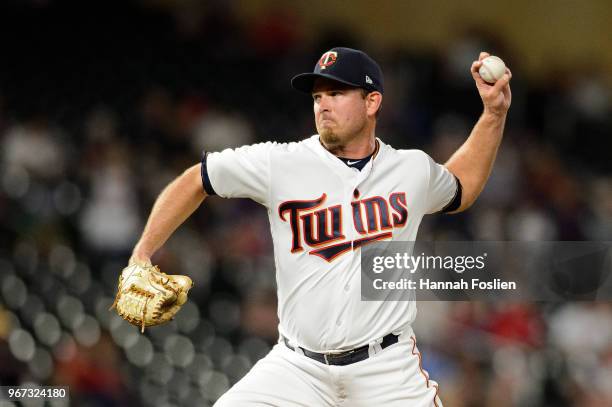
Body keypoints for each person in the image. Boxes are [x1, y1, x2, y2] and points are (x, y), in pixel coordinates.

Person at [128, 47, 512, 406]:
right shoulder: (280, 163)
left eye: (336, 93)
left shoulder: (410, 169)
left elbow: (461, 187)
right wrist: (142, 252)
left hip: (386, 369)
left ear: (372, 101)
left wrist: (493, 115)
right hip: (298, 367)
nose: (323, 104)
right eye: (317, 96)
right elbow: (197, 179)